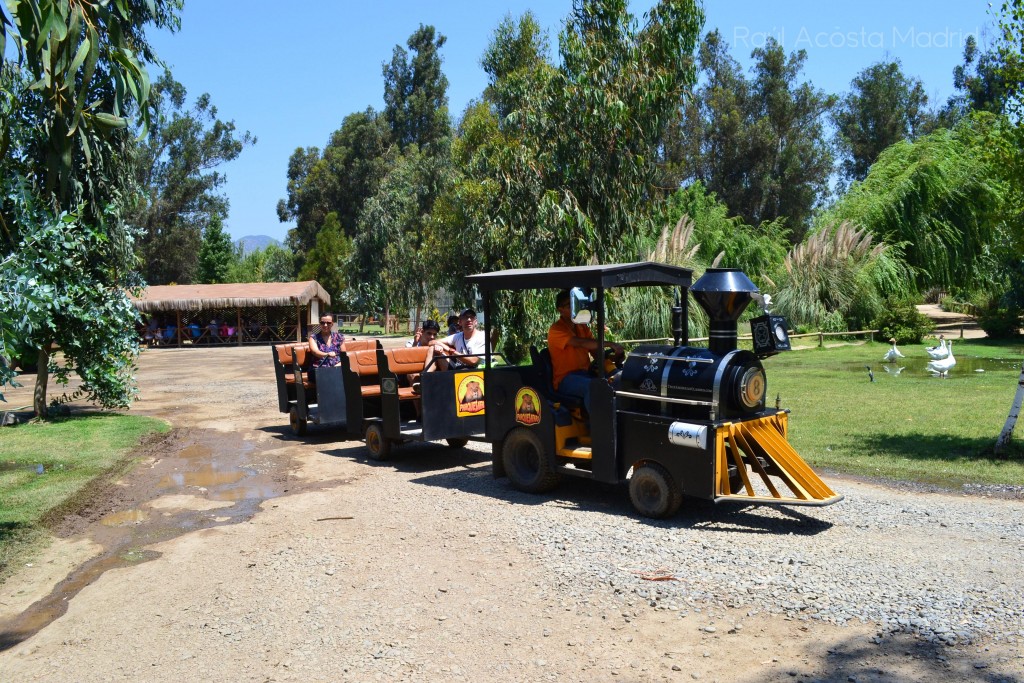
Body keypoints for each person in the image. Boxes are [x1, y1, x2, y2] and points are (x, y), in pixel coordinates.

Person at [547, 289, 623, 414]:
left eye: (575, 304)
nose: (574, 308)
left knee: (619, 379)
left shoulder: (582, 327)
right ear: (560, 310)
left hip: (585, 373)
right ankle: (599, 426)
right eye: (570, 305)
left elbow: (595, 351)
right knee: (593, 387)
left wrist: (613, 360)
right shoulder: (556, 330)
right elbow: (580, 343)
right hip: (566, 379)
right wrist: (610, 343)